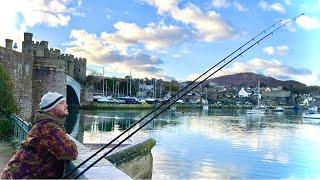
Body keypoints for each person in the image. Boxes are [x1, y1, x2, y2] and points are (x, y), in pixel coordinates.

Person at [1, 92, 78, 179]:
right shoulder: (49, 127)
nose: (66, 105)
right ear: (52, 108)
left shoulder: (44, 124)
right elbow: (71, 152)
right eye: (61, 103)